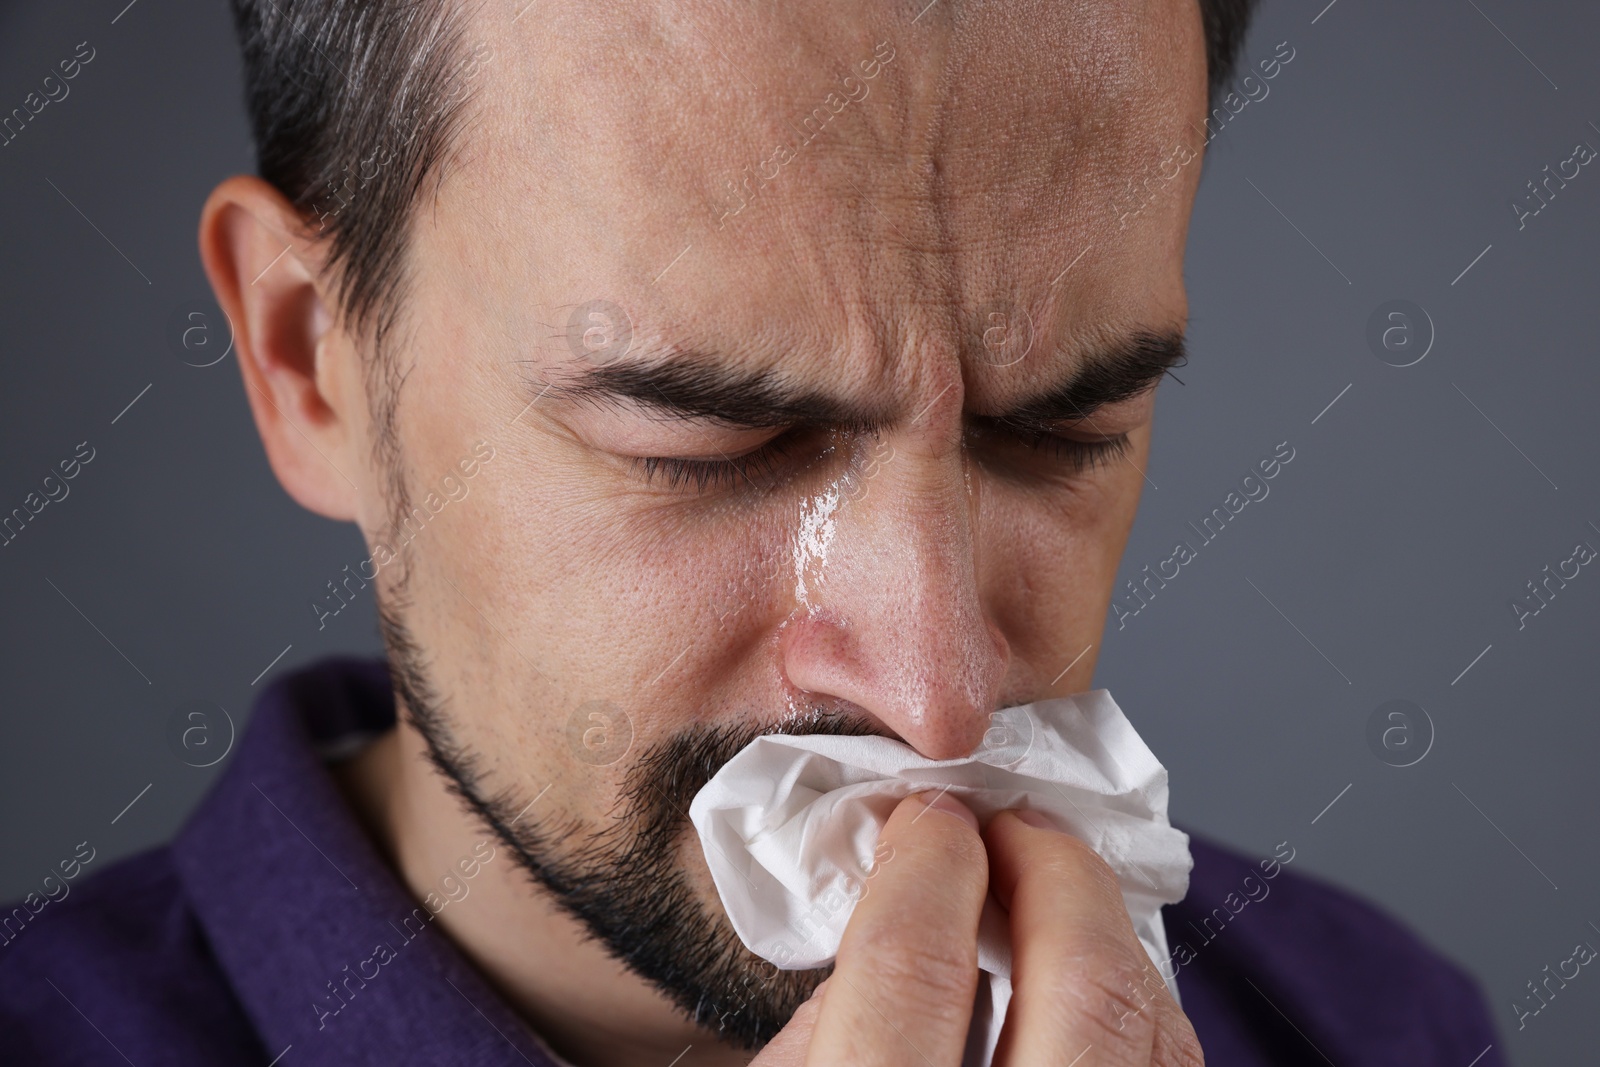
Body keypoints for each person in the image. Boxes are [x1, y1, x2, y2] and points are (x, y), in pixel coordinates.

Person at [0, 0, 1504, 1063]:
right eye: (712, 438)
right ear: (306, 360)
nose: (938, 692)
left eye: (1059, 432)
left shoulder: (1370, 1027)